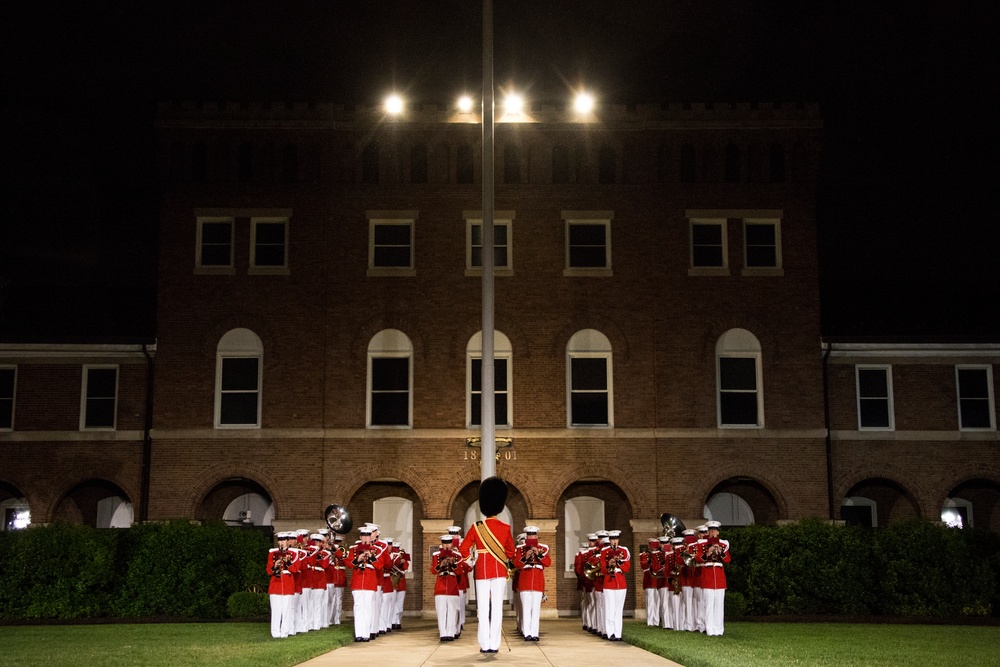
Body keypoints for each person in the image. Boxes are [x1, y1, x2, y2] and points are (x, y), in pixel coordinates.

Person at [460, 476, 516, 654]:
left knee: (482, 609)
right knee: (497, 608)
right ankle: (495, 644)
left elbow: (463, 548)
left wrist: (472, 560)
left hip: (482, 571)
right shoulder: (505, 528)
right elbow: (511, 553)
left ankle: (484, 644)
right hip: (499, 571)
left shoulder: (476, 527)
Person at [514, 525, 550, 642]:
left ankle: (535, 633)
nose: (531, 537)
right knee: (526, 608)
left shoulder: (543, 548)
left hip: (538, 581)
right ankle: (527, 633)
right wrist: (526, 557)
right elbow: (517, 564)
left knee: (536, 609)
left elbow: (548, 563)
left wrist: (538, 554)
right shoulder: (520, 549)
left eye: (533, 535)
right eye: (529, 535)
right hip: (525, 580)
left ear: (537, 536)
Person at [347, 526, 382, 642]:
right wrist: (358, 559)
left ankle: (366, 633)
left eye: (368, 536)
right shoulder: (353, 549)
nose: (365, 539)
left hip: (369, 580)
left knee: (367, 608)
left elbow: (379, 565)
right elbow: (348, 563)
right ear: (360, 537)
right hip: (357, 580)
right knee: (358, 607)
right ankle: (358, 634)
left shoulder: (376, 550)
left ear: (371, 538)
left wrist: (371, 557)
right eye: (363, 536)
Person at [697, 520, 731, 636]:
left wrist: (720, 552)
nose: (712, 533)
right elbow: (698, 559)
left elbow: (728, 560)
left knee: (719, 604)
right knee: (709, 604)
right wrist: (708, 552)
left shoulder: (723, 544)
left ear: (718, 532)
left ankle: (719, 629)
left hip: (719, 575)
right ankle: (710, 629)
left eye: (714, 531)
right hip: (708, 575)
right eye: (710, 531)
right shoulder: (702, 544)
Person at [432, 534, 467, 641]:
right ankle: (443, 633)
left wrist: (453, 564)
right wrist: (440, 565)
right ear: (442, 544)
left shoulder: (457, 555)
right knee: (441, 611)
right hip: (440, 585)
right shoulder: (436, 555)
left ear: (452, 544)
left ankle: (451, 633)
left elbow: (460, 572)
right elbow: (433, 571)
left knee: (452, 611)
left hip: (452, 586)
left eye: (448, 543)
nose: (447, 545)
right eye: (444, 543)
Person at [267, 532, 300, 638]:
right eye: (280, 540)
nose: (282, 543)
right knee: (276, 610)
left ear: (287, 542)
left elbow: (295, 569)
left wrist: (288, 563)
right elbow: (268, 570)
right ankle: (275, 632)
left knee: (286, 610)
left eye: (284, 540)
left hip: (287, 583)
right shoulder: (272, 554)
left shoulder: (294, 554)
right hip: (275, 584)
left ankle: (285, 632)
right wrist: (275, 566)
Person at [600, 529, 630, 641]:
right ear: (609, 540)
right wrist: (609, 565)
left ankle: (618, 633)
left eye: (616, 539)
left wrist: (618, 565)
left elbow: (627, 567)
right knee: (609, 609)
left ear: (618, 540)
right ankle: (610, 632)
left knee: (618, 610)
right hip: (608, 583)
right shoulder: (604, 552)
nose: (614, 542)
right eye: (612, 539)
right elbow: (603, 569)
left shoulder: (624, 551)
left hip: (621, 583)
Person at [640, 537, 661, 627]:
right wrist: (651, 557)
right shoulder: (644, 555)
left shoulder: (660, 554)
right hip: (649, 579)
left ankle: (656, 620)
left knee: (657, 601)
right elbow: (643, 565)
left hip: (658, 579)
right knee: (650, 600)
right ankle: (650, 620)